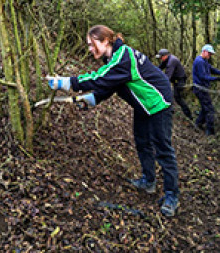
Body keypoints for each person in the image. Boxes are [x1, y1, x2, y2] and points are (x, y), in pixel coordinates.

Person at [47, 25, 179, 216]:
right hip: (143, 104)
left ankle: (171, 196)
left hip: (159, 102)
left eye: (92, 45)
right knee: (142, 142)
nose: (90, 50)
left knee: (163, 149)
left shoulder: (122, 57)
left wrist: (67, 82)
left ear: (105, 41)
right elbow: (111, 84)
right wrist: (92, 100)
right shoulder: (114, 58)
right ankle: (148, 181)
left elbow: (100, 79)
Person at [192, 44, 220, 136]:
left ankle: (198, 124)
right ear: (204, 51)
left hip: (203, 89)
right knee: (210, 109)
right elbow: (203, 76)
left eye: (211, 54)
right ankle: (210, 131)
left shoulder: (204, 61)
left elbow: (211, 69)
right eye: (209, 53)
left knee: (205, 107)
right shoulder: (199, 61)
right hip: (200, 89)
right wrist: (217, 79)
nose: (210, 55)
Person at [156, 49, 193, 120]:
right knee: (170, 93)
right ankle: (170, 110)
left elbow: (167, 77)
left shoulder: (171, 62)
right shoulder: (166, 59)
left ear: (165, 55)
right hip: (175, 80)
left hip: (180, 80)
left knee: (178, 98)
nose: (160, 59)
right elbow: (159, 68)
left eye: (161, 57)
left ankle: (189, 116)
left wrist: (158, 82)